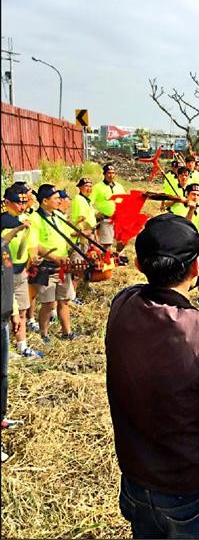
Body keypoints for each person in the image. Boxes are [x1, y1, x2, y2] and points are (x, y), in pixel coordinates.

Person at [105, 213, 199, 539]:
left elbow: (176, 277)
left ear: (139, 264)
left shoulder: (122, 302)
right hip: (194, 491)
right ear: (194, 268)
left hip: (137, 481)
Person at [27, 184, 77, 343]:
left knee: (64, 301)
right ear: (45, 201)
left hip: (62, 267)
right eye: (55, 198)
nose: (59, 200)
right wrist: (55, 257)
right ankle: (44, 334)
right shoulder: (35, 219)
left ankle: (67, 332)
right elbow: (36, 246)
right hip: (46, 268)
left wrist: (84, 230)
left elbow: (68, 234)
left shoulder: (58, 215)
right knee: (48, 304)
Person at [1, 186, 43, 358]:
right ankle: (6, 349)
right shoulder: (3, 221)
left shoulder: (25, 218)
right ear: (7, 203)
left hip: (20, 271)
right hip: (5, 273)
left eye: (24, 202)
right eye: (18, 203)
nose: (22, 206)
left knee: (23, 310)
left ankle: (22, 346)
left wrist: (32, 257)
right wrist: (18, 229)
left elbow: (30, 243)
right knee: (7, 312)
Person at [1, 236, 24, 462]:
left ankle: (1, 417)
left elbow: (7, 280)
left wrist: (14, 310)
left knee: (3, 377)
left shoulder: (3, 245)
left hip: (3, 320)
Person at [91, 164, 126, 251]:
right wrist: (96, 213)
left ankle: (117, 255)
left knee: (123, 240)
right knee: (107, 244)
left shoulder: (119, 186)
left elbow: (125, 200)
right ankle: (107, 260)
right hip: (106, 219)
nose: (111, 175)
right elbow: (88, 203)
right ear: (104, 174)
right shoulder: (97, 188)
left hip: (119, 218)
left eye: (113, 173)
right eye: (109, 173)